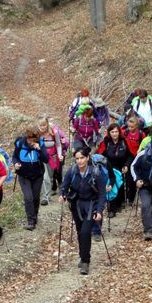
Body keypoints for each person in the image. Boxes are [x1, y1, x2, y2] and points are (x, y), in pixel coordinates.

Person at [60, 146, 107, 275]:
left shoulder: (95, 173)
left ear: (87, 158)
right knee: (80, 232)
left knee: (86, 232)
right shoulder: (73, 171)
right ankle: (82, 255)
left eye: (82, 158)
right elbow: (64, 185)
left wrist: (99, 211)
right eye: (77, 159)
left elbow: (102, 194)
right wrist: (62, 194)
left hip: (92, 204)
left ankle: (85, 261)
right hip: (77, 205)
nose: (79, 161)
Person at [13, 125, 49, 230]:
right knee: (28, 198)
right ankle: (30, 221)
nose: (30, 141)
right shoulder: (20, 143)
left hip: (37, 175)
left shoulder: (40, 143)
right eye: (29, 138)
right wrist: (15, 164)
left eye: (33, 139)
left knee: (35, 198)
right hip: (23, 175)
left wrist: (39, 150)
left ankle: (35, 215)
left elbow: (46, 160)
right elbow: (15, 156)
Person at [97, 123, 128, 214]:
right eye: (112, 132)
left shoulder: (124, 141)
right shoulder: (106, 142)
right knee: (112, 184)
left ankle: (119, 203)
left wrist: (126, 165)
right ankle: (112, 208)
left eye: (116, 132)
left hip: (122, 167)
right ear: (109, 133)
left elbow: (130, 155)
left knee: (120, 184)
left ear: (119, 132)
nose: (114, 134)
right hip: (109, 167)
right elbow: (101, 156)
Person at [38, 116, 69, 205]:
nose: (42, 127)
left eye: (44, 125)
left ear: (47, 124)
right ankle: (45, 197)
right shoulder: (37, 134)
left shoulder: (53, 133)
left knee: (51, 177)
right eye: (40, 125)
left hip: (53, 157)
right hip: (42, 158)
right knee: (45, 177)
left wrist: (60, 155)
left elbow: (58, 145)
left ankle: (53, 190)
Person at [121, 115, 145, 205]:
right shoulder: (125, 133)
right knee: (128, 178)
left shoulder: (141, 134)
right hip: (128, 157)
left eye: (132, 127)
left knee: (135, 177)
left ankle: (133, 198)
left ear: (136, 126)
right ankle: (127, 198)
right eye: (129, 126)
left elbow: (144, 145)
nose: (130, 128)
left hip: (138, 157)